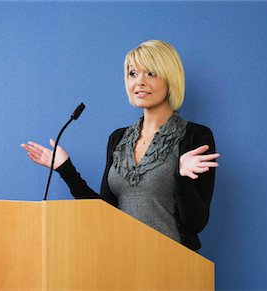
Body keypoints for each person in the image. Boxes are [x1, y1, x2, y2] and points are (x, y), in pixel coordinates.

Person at [21, 40, 219, 251]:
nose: (140, 82)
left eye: (151, 73)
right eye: (133, 74)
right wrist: (65, 168)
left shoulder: (195, 136)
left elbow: (196, 223)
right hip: (120, 261)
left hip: (171, 265)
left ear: (170, 78)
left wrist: (182, 178)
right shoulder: (118, 139)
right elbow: (104, 213)